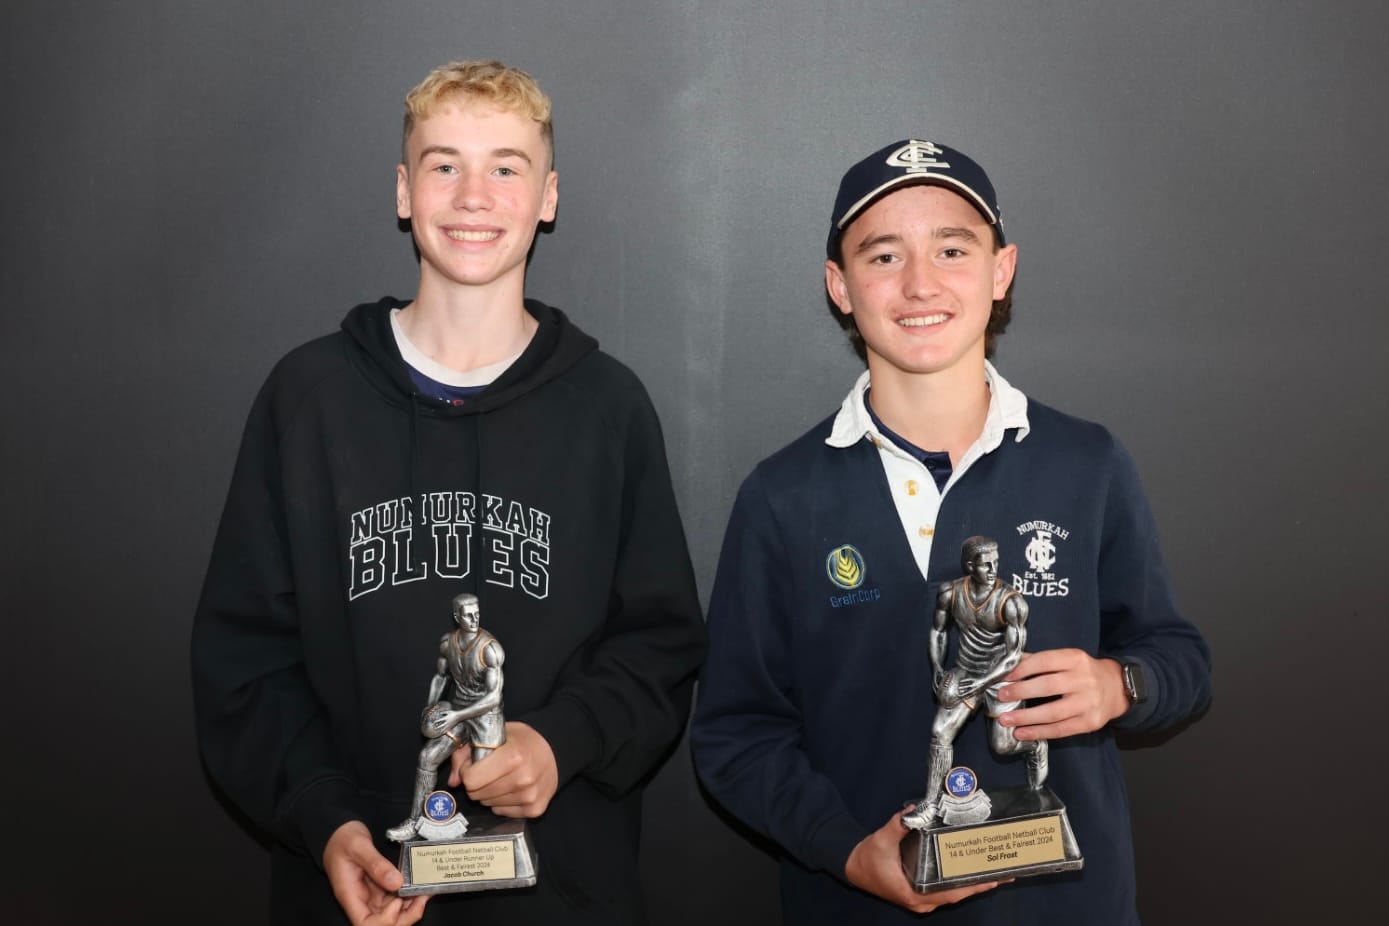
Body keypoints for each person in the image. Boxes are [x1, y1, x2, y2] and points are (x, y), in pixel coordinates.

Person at [192, 60, 705, 926]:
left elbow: (659, 645)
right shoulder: (309, 398)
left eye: (505, 167)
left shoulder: (607, 407)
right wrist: (324, 820)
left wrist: (561, 741)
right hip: (358, 883)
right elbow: (244, 660)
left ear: (546, 197)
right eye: (444, 165)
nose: (473, 196)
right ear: (404, 191)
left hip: (560, 891)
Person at [690, 139, 1212, 923]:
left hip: (1066, 907)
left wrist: (1120, 685)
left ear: (1001, 271)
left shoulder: (1086, 463)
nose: (919, 283)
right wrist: (844, 848)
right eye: (883, 256)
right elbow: (734, 733)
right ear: (839, 286)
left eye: (951, 249)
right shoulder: (782, 496)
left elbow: (1179, 659)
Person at [899, 536, 1045, 831]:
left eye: (996, 562)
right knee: (940, 732)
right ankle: (930, 804)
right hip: (966, 671)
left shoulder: (1012, 602)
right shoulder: (950, 593)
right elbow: (938, 630)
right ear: (969, 566)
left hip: (999, 677)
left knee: (1003, 746)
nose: (993, 569)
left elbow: (1013, 656)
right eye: (985, 564)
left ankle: (1036, 746)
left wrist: (982, 682)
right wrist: (937, 666)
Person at [387, 593, 504, 842]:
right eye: (468, 615)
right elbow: (441, 677)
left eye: (477, 614)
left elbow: (494, 697)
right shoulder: (447, 644)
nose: (474, 619)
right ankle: (415, 822)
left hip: (486, 714)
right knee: (427, 757)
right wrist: (430, 706)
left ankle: (500, 837)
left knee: (482, 782)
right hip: (457, 709)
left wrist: (456, 716)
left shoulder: (490, 650)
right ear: (456, 617)